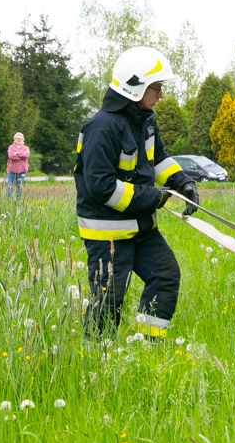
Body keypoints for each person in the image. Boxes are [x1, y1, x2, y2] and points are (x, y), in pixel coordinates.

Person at [74, 46, 199, 341]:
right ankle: (97, 354)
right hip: (108, 236)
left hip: (141, 228)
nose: (160, 94)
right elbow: (101, 187)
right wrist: (154, 197)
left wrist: (183, 182)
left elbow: (158, 159)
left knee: (165, 276)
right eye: (156, 87)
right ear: (134, 87)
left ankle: (146, 344)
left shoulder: (145, 120)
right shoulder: (101, 127)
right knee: (109, 299)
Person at [6, 132, 30, 198]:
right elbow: (11, 156)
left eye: (20, 138)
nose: (19, 140)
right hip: (11, 170)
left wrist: (17, 153)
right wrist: (21, 156)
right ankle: (8, 200)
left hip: (22, 170)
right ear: (14, 139)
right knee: (10, 185)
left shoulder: (26, 148)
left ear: (23, 140)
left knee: (19, 186)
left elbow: (26, 155)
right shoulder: (11, 147)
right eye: (17, 138)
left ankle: (18, 201)